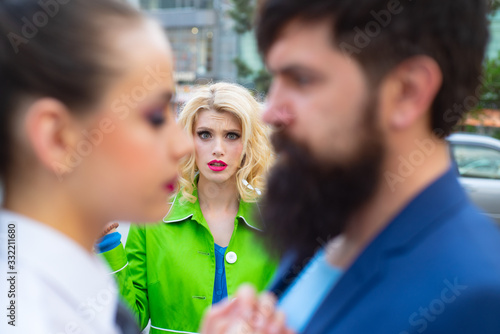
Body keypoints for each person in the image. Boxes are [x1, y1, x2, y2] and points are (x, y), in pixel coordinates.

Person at [202, 0, 500, 333]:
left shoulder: (476, 300)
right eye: (275, 78)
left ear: (407, 92)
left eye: (301, 79)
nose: (269, 112)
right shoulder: (324, 229)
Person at [0, 1, 192, 333]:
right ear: (58, 137)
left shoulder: (51, 290)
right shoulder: (29, 317)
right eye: (156, 117)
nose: (184, 145)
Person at [98, 82, 279, 333]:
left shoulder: (277, 222)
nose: (218, 149)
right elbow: (131, 321)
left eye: (232, 135)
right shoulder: (151, 218)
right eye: (205, 134)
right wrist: (107, 244)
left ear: (248, 143)